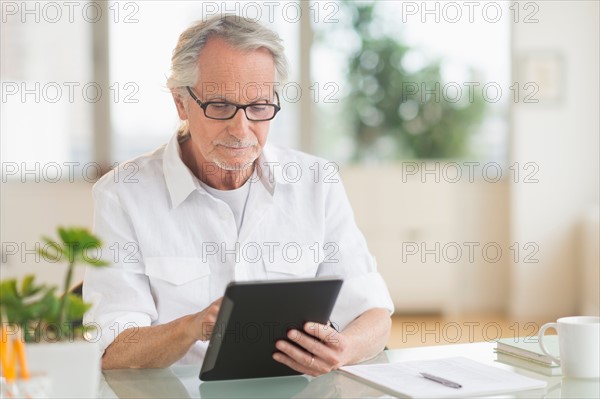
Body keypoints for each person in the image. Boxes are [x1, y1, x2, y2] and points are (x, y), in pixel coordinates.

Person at [83, 14, 394, 376]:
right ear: (181, 103)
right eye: (220, 106)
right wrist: (191, 326)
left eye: (259, 107)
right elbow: (112, 349)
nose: (241, 129)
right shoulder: (123, 194)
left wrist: (343, 349)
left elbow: (373, 314)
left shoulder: (317, 182)